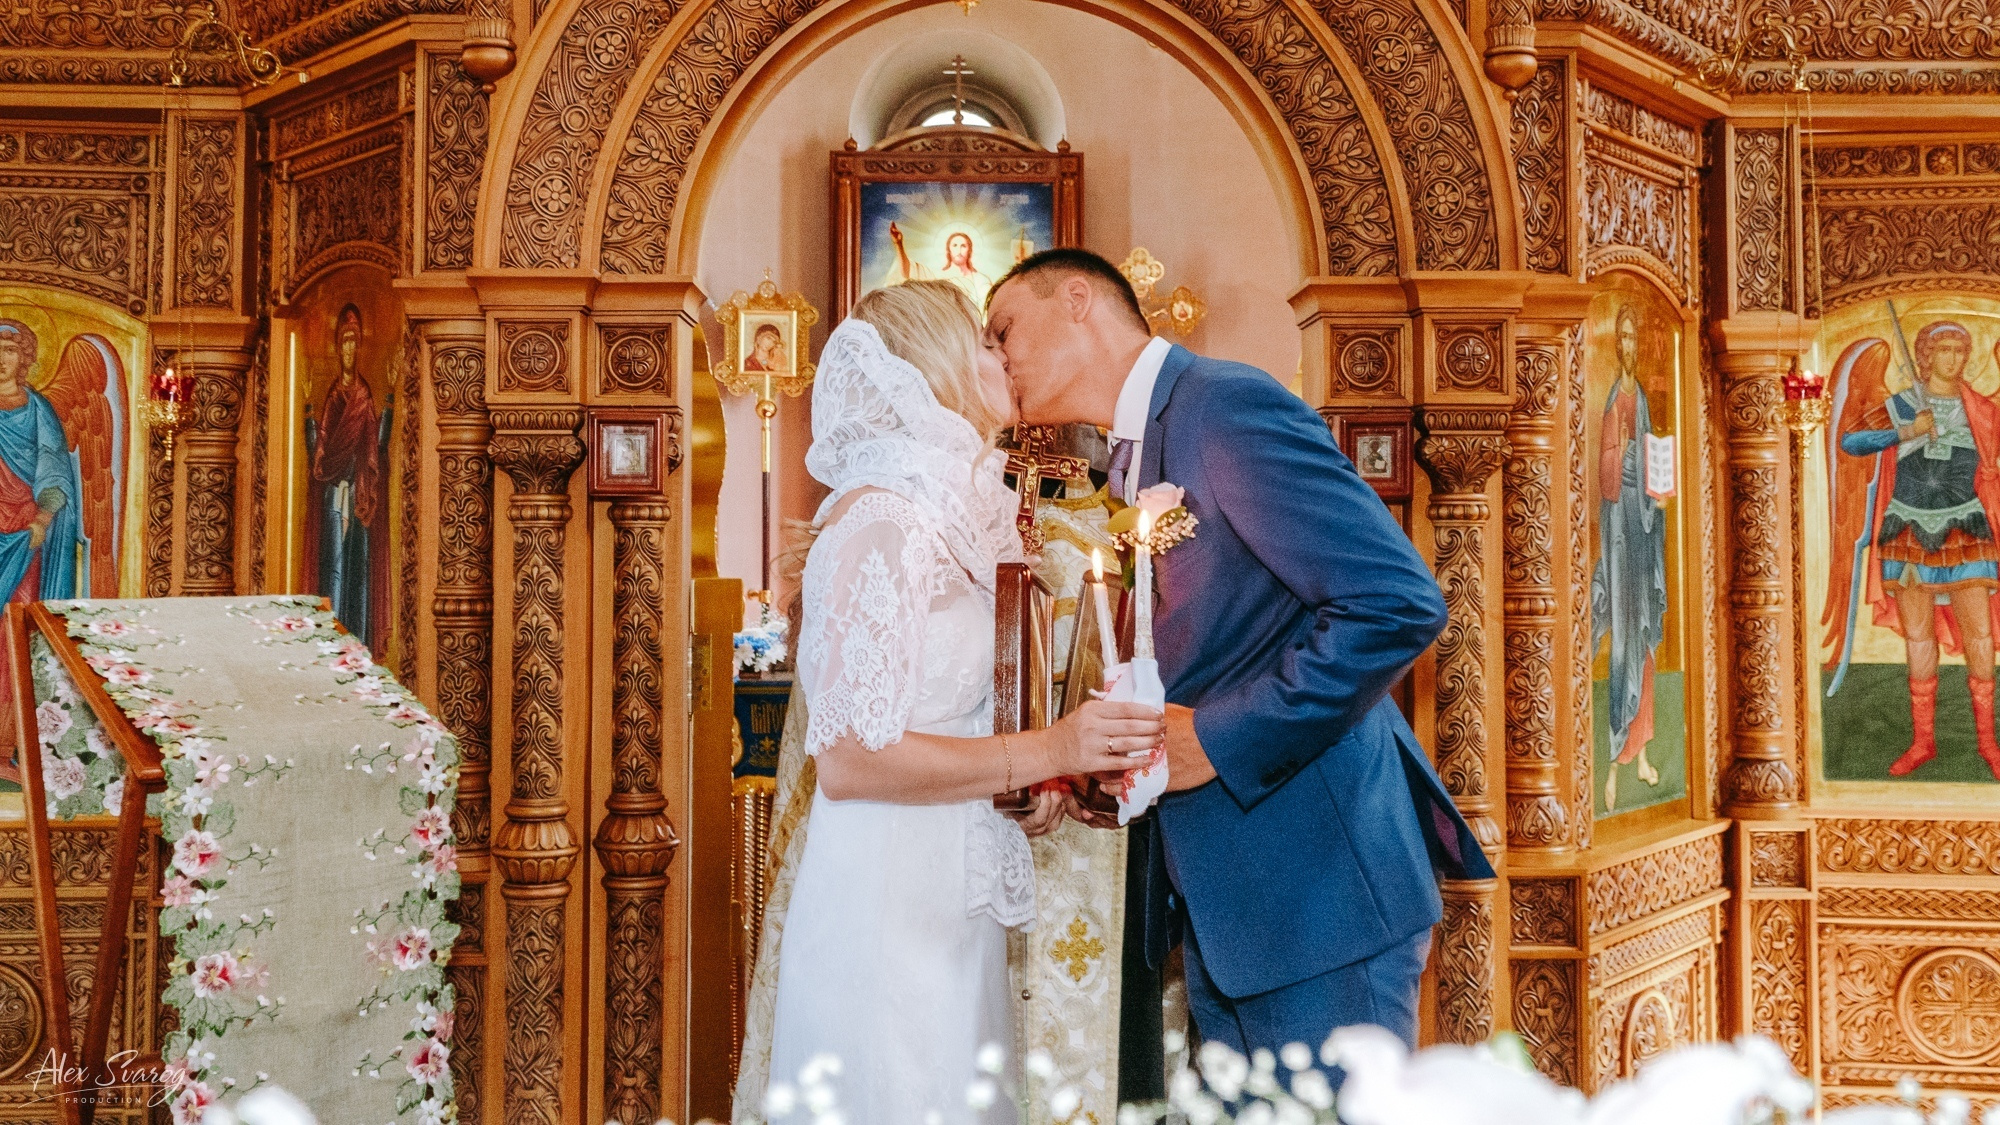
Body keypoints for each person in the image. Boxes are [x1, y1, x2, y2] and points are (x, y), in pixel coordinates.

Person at [985, 249, 1493, 1064]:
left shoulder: (1222, 407)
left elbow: (1396, 602)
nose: (996, 355)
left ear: (1077, 300)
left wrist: (1215, 739)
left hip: (1319, 905)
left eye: (1004, 328)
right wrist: (1122, 774)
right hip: (1236, 913)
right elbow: (1223, 644)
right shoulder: (1141, 445)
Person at [758, 279, 1165, 1123]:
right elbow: (851, 760)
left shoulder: (951, 517)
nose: (1002, 358)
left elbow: (956, 711)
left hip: (951, 896)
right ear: (931, 364)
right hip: (885, 908)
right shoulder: (885, 521)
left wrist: (1027, 787)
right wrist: (1051, 751)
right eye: (983, 341)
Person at [1827, 318, 2000, 779]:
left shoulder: (1980, 408)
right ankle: (1923, 741)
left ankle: (1988, 742)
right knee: (1919, 635)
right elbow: (1851, 441)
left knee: (1980, 635)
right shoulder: (1903, 404)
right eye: (1943, 349)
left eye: (1960, 350)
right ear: (1925, 356)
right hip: (1907, 528)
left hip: (1966, 527)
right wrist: (1906, 432)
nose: (1953, 358)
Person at [1592, 306, 1667, 811]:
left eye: (1634, 336)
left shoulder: (1639, 394)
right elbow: (1606, 468)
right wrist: (1633, 463)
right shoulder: (1613, 399)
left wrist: (1659, 488)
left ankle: (1640, 748)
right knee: (1623, 636)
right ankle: (1616, 749)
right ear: (1614, 344)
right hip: (1620, 529)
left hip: (1644, 528)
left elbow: (1651, 453)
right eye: (1621, 337)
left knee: (1643, 634)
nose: (1628, 345)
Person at [306, 306, 386, 646]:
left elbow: (375, 445)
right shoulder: (334, 395)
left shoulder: (364, 396)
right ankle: (331, 638)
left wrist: (392, 406)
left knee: (357, 567)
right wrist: (308, 418)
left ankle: (356, 638)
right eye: (345, 343)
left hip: (357, 492)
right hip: (333, 494)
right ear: (339, 348)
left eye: (355, 343)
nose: (350, 350)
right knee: (334, 564)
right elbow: (322, 444)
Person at [886, 224, 996, 309]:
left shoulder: (980, 279)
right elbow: (908, 272)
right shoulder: (936, 276)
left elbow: (988, 307)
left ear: (969, 250)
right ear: (949, 250)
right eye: (955, 245)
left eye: (963, 246)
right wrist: (899, 244)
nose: (959, 249)